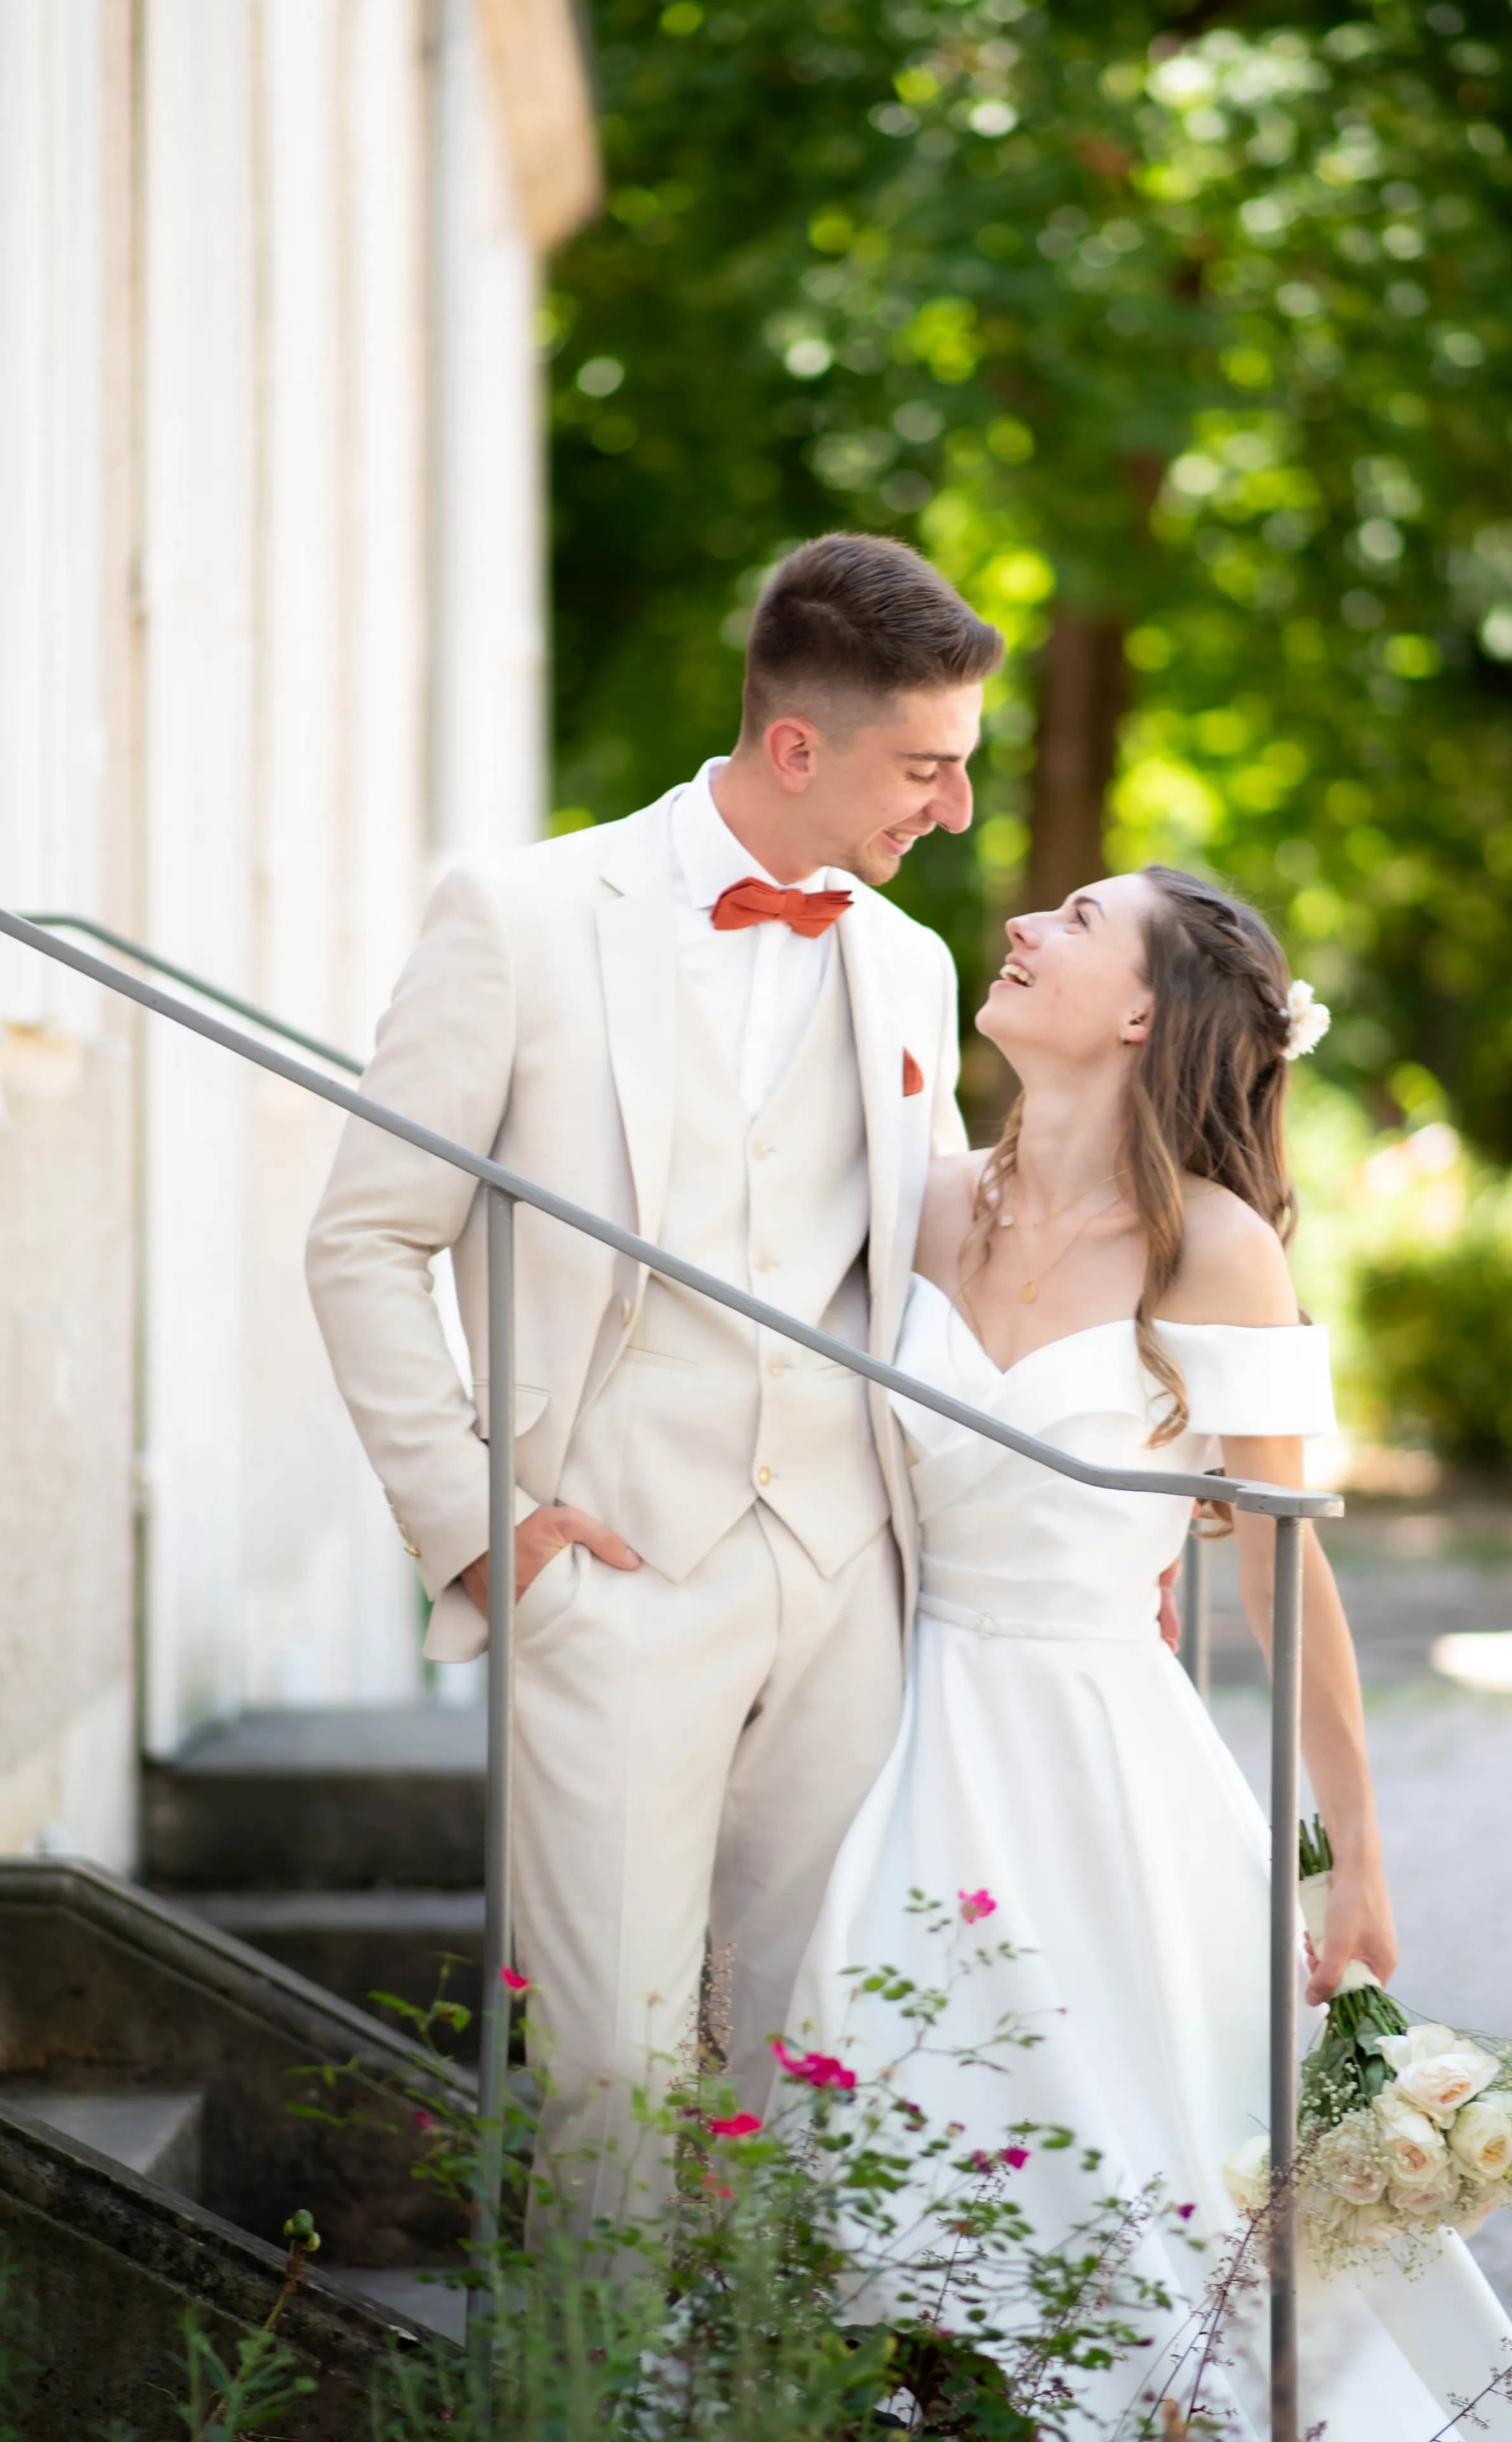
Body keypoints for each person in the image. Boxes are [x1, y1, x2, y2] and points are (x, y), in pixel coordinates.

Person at [792, 864, 1512, 2442]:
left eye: (1077, 918)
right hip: (904, 1739)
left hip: (1110, 1778)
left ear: (1141, 1013)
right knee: (903, 2129)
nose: (1024, 921)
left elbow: (1289, 1576)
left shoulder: (1215, 1244)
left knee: (1150, 2190)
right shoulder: (918, 1197)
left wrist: (1356, 1863)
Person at [306, 532, 1002, 2231]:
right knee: (614, 2072)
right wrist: (479, 1528)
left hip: (844, 1574)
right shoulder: (523, 917)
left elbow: (945, 1260)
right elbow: (364, 1241)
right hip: (609, 1566)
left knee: (809, 2057)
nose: (958, 810)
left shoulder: (905, 964)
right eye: (929, 767)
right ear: (796, 747)